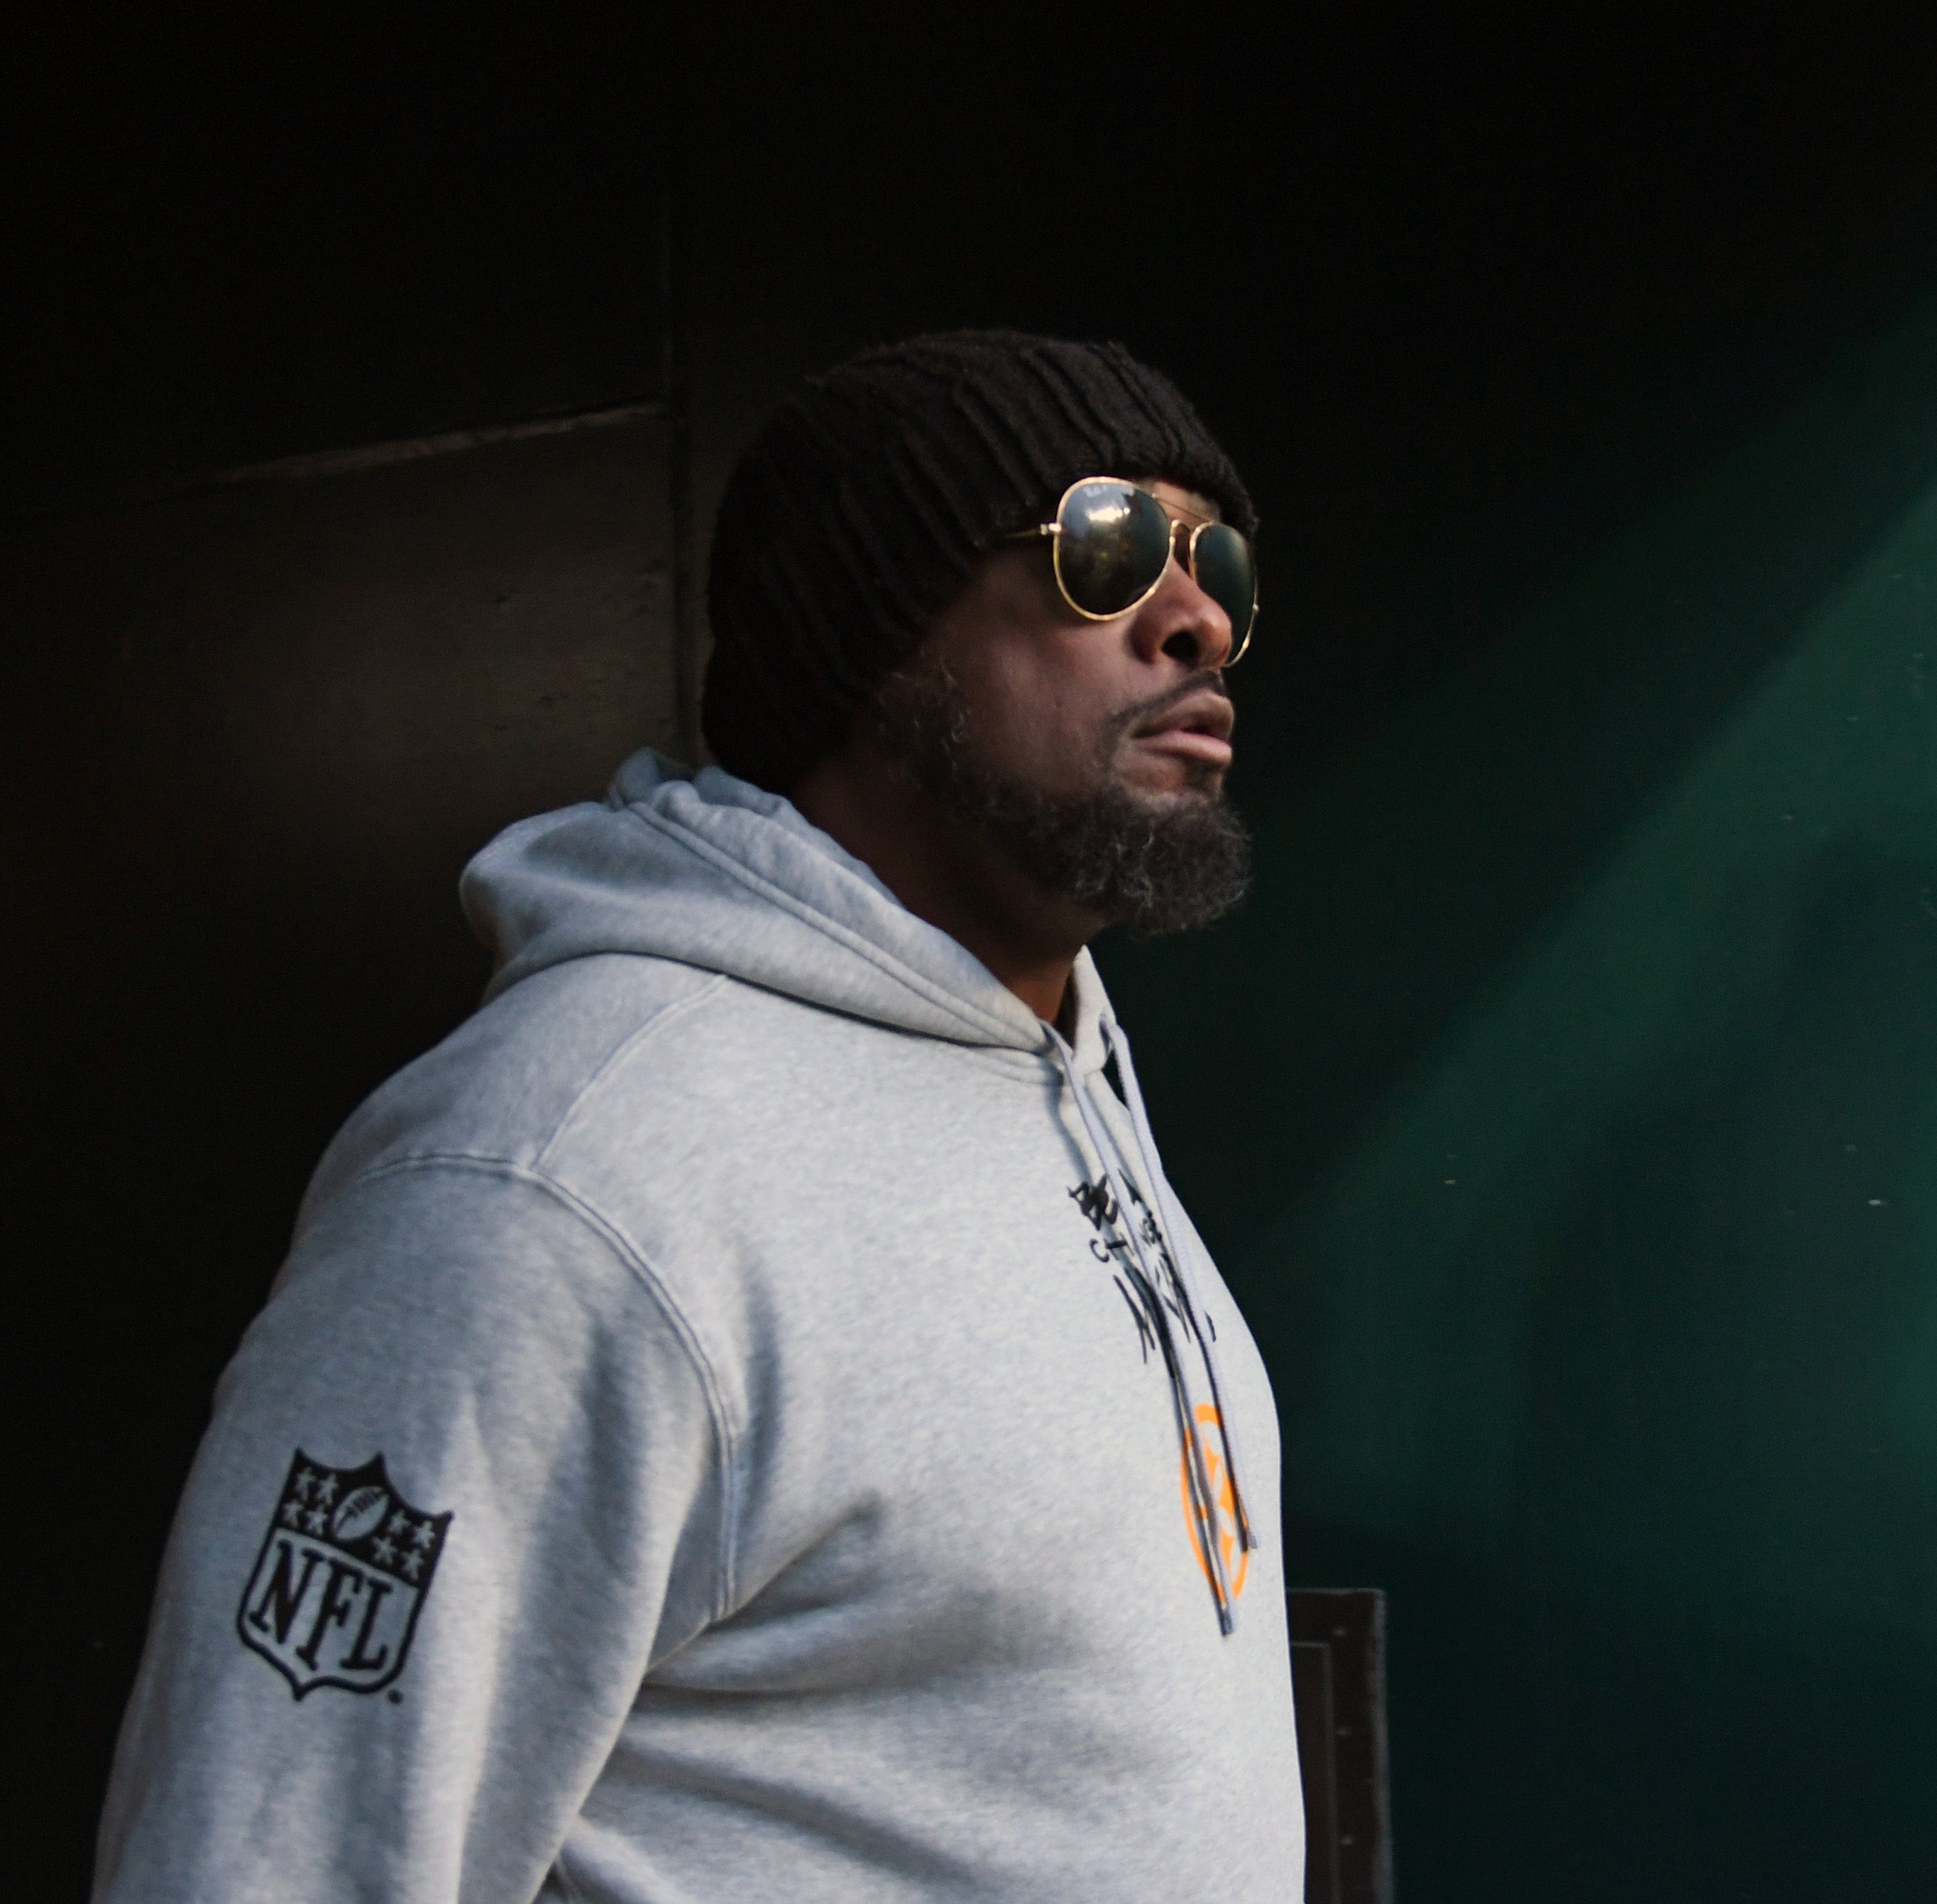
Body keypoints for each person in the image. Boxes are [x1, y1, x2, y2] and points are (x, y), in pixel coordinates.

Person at [93, 331, 1300, 1902]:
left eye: (1218, 566)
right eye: (1108, 548)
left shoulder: (1061, 1066)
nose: (1197, 618)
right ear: (875, 638)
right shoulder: (554, 1176)